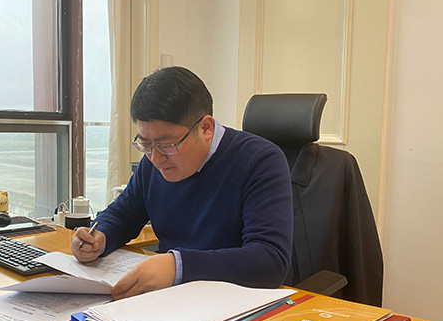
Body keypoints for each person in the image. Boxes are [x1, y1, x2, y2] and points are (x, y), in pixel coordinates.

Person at [72, 66, 293, 299]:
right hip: (172, 299)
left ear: (206, 128)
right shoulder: (153, 162)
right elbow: (123, 215)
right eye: (145, 144)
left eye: (167, 145)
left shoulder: (259, 160)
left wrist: (177, 266)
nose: (156, 158)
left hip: (238, 303)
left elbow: (270, 261)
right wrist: (99, 236)